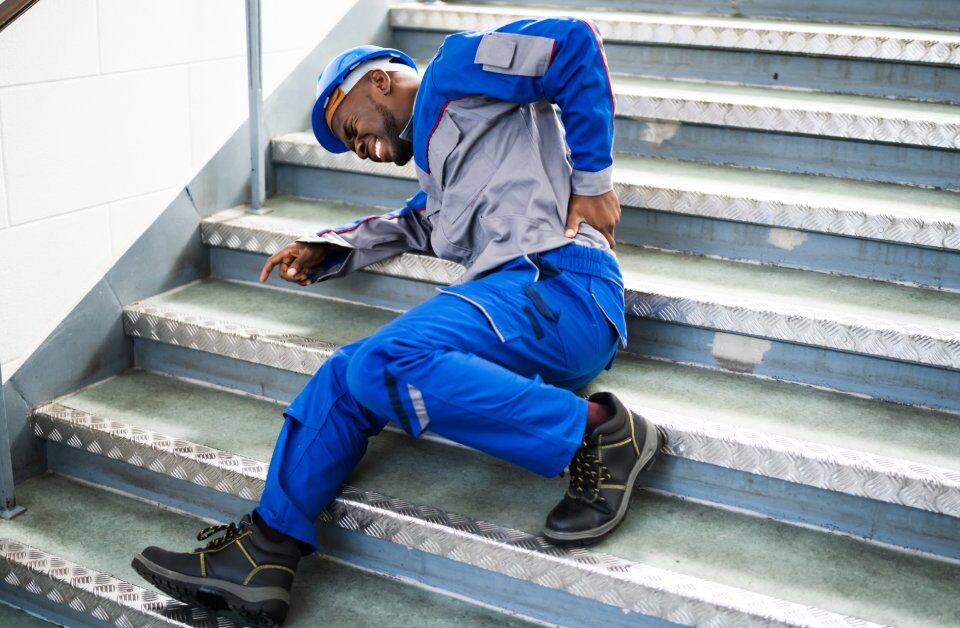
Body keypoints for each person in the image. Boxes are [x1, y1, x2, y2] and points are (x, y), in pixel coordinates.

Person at [132, 17, 662, 627]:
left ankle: (599, 433)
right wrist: (329, 247)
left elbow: (572, 43)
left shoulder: (456, 69)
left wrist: (593, 181)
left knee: (387, 359)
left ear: (378, 82)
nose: (358, 147)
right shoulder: (440, 175)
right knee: (344, 374)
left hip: (562, 283)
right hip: (518, 305)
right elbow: (415, 221)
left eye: (349, 127)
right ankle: (264, 553)